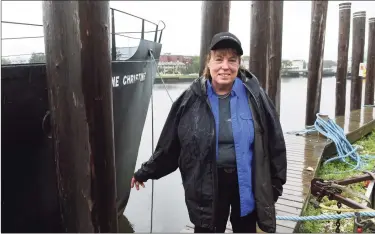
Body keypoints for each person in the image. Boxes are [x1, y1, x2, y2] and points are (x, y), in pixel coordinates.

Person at [130, 32, 287, 233]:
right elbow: (170, 144)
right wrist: (145, 172)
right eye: (219, 59)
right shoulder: (190, 99)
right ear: (209, 63)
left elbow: (275, 142)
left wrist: (275, 184)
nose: (225, 66)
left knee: (246, 228)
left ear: (239, 64)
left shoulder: (255, 96)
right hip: (207, 184)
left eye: (232, 60)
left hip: (247, 181)